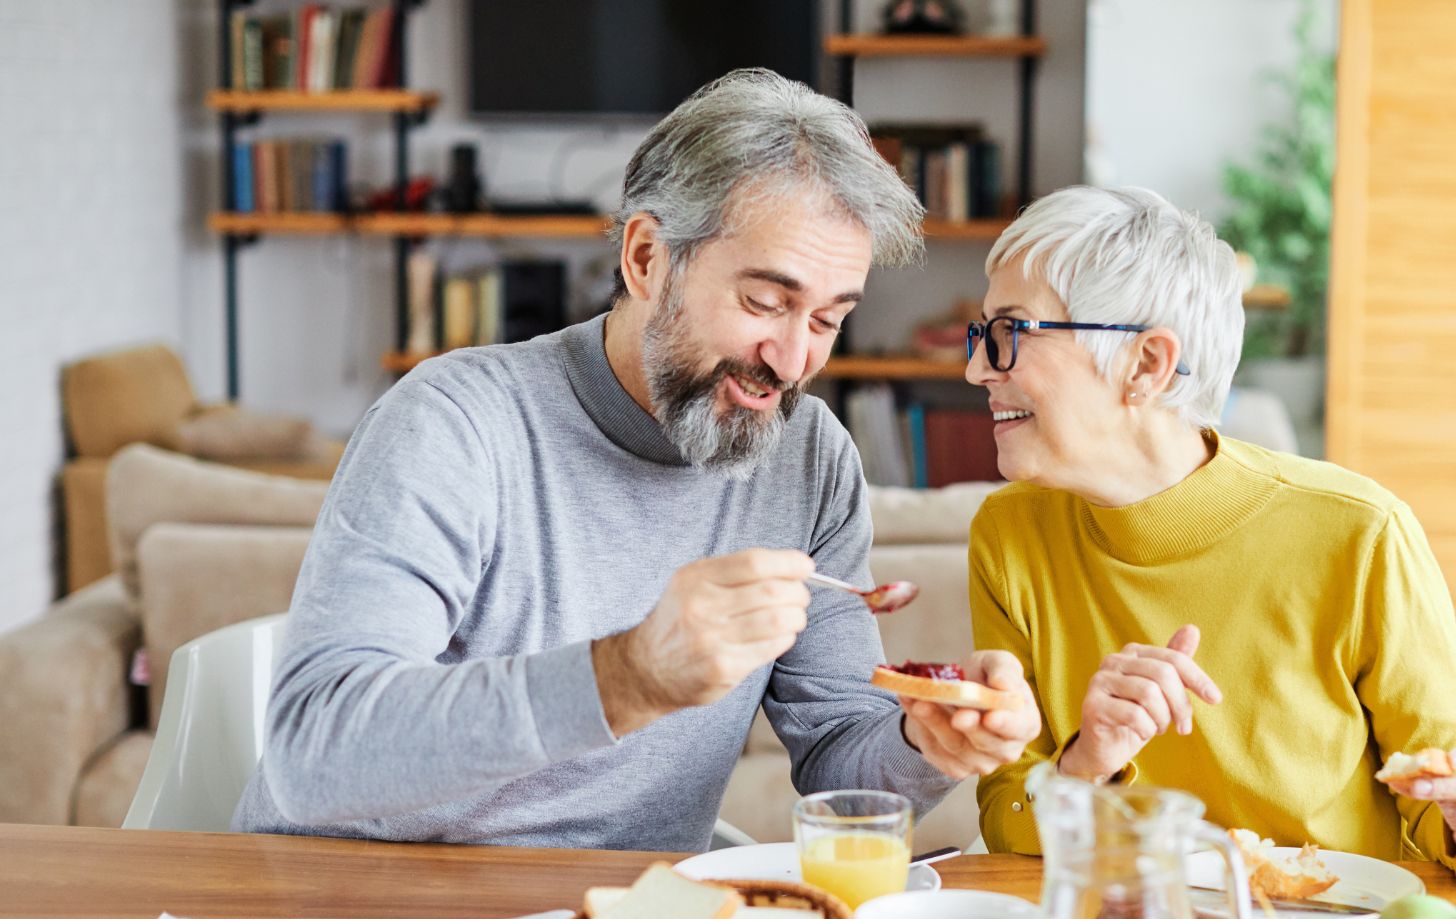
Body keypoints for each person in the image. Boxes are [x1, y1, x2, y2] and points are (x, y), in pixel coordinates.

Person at [232, 70, 1040, 850]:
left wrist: (928, 741)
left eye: (828, 319)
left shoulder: (810, 459)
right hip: (349, 904)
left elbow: (837, 751)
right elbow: (317, 754)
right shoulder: (455, 422)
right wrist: (625, 678)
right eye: (764, 302)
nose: (794, 359)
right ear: (648, 258)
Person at [958, 186, 1456, 877]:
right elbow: (1005, 824)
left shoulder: (1360, 534)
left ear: (1146, 365)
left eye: (1011, 333)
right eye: (983, 334)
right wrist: (1087, 759)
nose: (977, 367)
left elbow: (1451, 799)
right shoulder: (1009, 535)